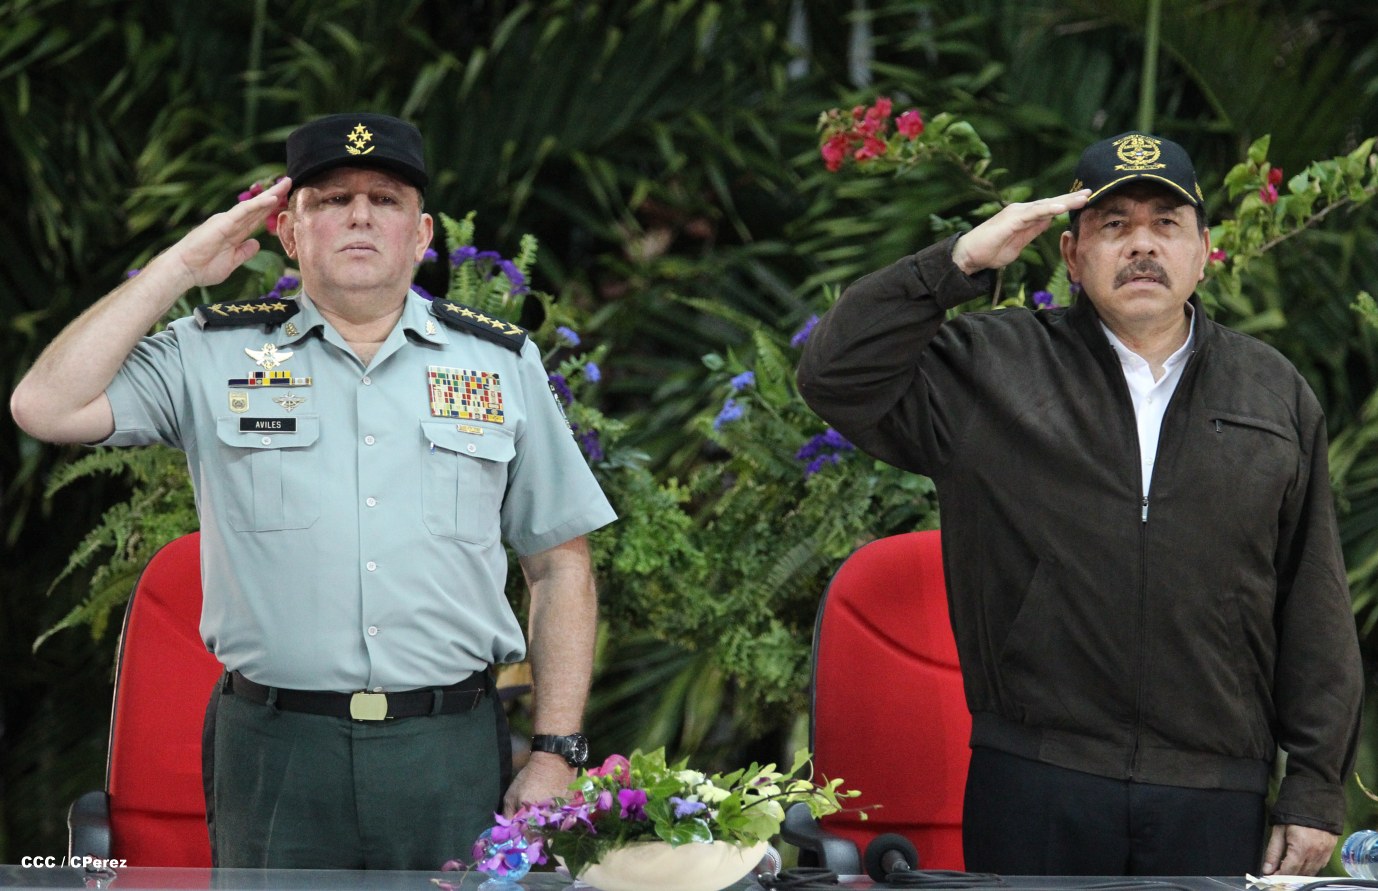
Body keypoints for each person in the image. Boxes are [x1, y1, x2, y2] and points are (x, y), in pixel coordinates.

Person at [10, 112, 617, 869]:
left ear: (421, 234)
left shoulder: (499, 363)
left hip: (446, 750)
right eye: (331, 199)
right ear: (288, 233)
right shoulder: (213, 352)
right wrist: (182, 266)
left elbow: (560, 563)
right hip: (274, 751)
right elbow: (45, 406)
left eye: (385, 199)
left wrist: (557, 750)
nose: (360, 216)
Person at [797, 131, 1363, 876]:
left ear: (1204, 252)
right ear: (1070, 254)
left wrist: (1315, 789)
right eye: (1114, 224)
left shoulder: (1272, 391)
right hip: (1035, 779)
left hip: (1215, 791)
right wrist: (959, 262)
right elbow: (834, 376)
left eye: (1166, 224)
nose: (1142, 245)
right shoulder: (991, 367)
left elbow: (1312, 599)